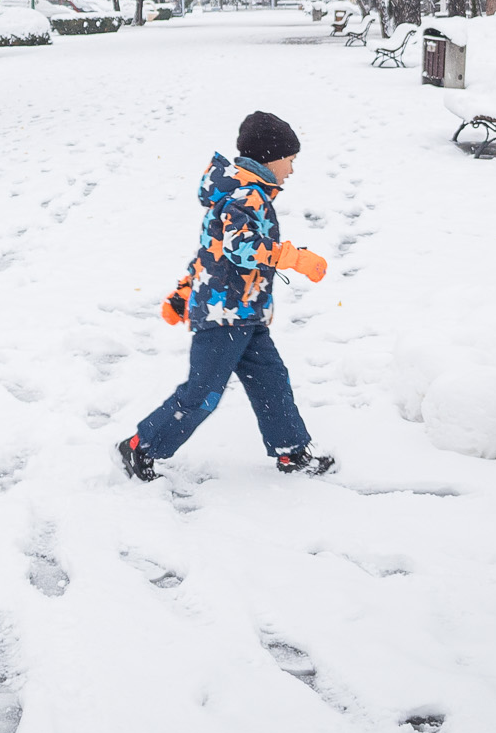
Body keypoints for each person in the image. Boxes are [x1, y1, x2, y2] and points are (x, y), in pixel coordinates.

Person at [116, 110, 336, 481]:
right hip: (224, 318)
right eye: (291, 160)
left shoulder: (244, 194)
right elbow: (240, 248)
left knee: (272, 381)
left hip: (245, 314)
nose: (292, 170)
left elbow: (211, 252)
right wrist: (294, 258)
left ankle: (291, 452)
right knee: (203, 393)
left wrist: (184, 291)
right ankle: (141, 446)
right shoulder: (247, 197)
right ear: (271, 157)